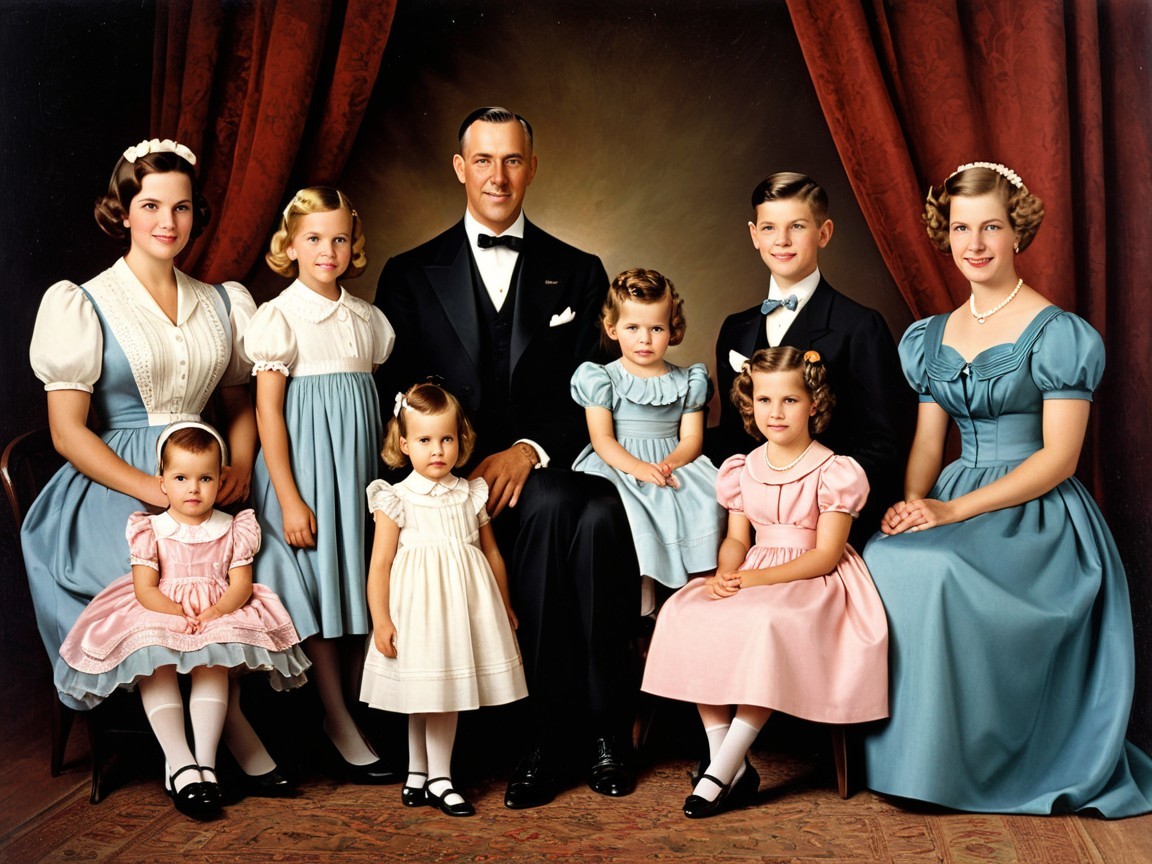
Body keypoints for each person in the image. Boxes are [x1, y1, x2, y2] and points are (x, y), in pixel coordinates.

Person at [862, 162, 1152, 816]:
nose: (976, 243)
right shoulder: (930, 337)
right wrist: (914, 502)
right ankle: (916, 765)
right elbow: (930, 445)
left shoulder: (1058, 334)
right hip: (952, 492)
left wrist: (951, 509)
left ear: (1016, 230)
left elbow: (1059, 458)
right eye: (962, 227)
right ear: (946, 234)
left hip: (1037, 512)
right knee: (887, 557)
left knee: (938, 570)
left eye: (991, 225)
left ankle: (978, 765)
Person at [375, 107, 638, 808]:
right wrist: (451, 466)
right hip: (443, 480)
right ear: (460, 167)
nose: (498, 175)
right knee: (570, 512)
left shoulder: (580, 272)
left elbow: (595, 389)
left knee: (591, 508)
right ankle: (561, 735)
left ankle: (595, 731)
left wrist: (527, 450)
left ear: (532, 167)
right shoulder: (407, 274)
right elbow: (391, 393)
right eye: (484, 160)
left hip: (538, 464)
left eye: (513, 160)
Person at [23, 137, 290, 793]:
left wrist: (244, 461)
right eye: (150, 205)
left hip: (204, 475)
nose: (167, 223)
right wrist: (151, 489)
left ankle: (231, 724)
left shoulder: (222, 301)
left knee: (263, 559)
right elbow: (66, 431)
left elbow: (237, 402)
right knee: (159, 578)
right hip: (116, 478)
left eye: (181, 208)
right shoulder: (82, 302)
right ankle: (188, 756)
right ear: (123, 211)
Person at [643, 347, 889, 819]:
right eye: (764, 400)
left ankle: (720, 770)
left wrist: (757, 580)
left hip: (813, 579)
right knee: (689, 611)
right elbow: (737, 538)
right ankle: (728, 759)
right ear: (750, 404)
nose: (775, 413)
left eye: (790, 401)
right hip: (756, 569)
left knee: (767, 622)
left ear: (813, 403)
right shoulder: (742, 468)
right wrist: (726, 574)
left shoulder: (834, 470)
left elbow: (826, 555)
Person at [57, 423, 310, 818]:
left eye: (205, 478)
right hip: (162, 607)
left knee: (212, 665)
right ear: (162, 482)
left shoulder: (232, 528)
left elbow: (240, 585)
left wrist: (216, 611)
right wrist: (174, 611)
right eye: (181, 478)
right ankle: (181, 763)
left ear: (220, 479)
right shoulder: (151, 529)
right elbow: (145, 588)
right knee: (155, 663)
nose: (193, 488)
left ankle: (205, 765)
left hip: (214, 608)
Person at [246, 187, 398, 783]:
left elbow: (364, 405)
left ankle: (367, 709)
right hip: (306, 474)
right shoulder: (278, 317)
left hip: (355, 470)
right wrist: (288, 498)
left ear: (353, 244)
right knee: (326, 592)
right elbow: (268, 416)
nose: (326, 250)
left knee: (361, 586)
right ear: (289, 245)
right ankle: (336, 718)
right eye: (312, 238)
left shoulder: (368, 320)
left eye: (338, 238)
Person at [709, 173, 909, 549]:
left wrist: (820, 502)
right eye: (769, 227)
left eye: (797, 226)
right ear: (755, 236)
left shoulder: (860, 325)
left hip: (827, 524)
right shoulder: (736, 328)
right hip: (752, 523)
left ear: (824, 232)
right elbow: (735, 437)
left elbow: (883, 443)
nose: (781, 241)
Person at [360, 383, 527, 817]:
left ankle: (424, 774)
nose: (437, 450)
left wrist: (504, 604)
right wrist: (381, 619)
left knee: (441, 691)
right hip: (419, 611)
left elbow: (491, 552)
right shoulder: (395, 497)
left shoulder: (470, 493)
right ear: (404, 444)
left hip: (463, 611)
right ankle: (434, 777)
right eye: (425, 440)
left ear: (461, 440)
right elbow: (380, 565)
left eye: (446, 439)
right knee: (426, 692)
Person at [570, 268, 724, 613]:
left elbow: (692, 439)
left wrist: (670, 465)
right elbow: (603, 439)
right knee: (634, 509)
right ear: (612, 329)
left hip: (673, 459)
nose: (645, 339)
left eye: (656, 328)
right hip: (620, 461)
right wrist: (639, 468)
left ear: (673, 330)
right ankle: (644, 612)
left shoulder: (689, 380)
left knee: (707, 497)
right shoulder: (600, 378)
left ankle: (697, 602)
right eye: (632, 328)